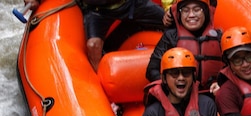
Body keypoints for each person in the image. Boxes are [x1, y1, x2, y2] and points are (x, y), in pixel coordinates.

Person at [24, 0, 166, 72]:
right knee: (93, 45)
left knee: (169, 20)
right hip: (98, 11)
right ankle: (104, 83)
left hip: (130, 3)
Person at [146, 0, 222, 94]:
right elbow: (152, 70)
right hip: (179, 98)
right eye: (185, 11)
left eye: (197, 10)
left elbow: (232, 71)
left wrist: (222, 84)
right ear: (179, 14)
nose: (191, 15)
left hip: (211, 96)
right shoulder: (171, 36)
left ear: (206, 12)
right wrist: (171, 87)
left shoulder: (219, 37)